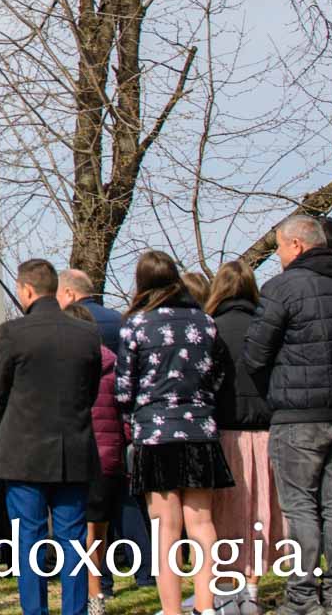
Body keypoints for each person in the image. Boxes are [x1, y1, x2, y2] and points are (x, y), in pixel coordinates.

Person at [244, 213, 332, 615]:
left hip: (299, 412)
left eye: (280, 248)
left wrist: (276, 390)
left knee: (300, 505)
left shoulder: (282, 288)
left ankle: (302, 595)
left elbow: (255, 354)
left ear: (297, 245)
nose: (279, 255)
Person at [115, 251, 231, 615]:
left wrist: (136, 414)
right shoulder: (206, 322)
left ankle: (172, 609)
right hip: (200, 430)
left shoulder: (135, 326)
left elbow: (123, 388)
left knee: (166, 529)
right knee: (202, 523)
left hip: (156, 433)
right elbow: (220, 375)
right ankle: (207, 606)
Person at [0, 258, 101, 615]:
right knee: (73, 539)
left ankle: (35, 610)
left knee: (29, 539)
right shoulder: (86, 334)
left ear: (26, 290)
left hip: (23, 452)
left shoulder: (13, 333)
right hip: (73, 448)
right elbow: (91, 391)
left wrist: (17, 421)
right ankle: (75, 610)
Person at [205, 259, 278, 615]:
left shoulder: (211, 329)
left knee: (223, 515)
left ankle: (225, 590)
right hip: (265, 428)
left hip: (224, 429)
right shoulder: (267, 327)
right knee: (260, 513)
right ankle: (252, 588)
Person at [63, 302, 123, 615]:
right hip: (111, 454)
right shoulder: (114, 363)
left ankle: (94, 594)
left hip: (83, 454)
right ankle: (98, 586)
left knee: (83, 531)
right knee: (100, 529)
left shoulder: (69, 368)